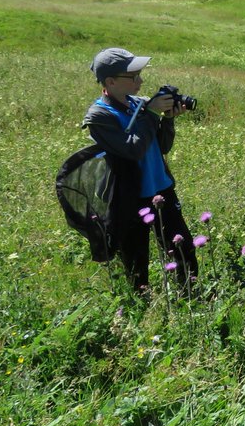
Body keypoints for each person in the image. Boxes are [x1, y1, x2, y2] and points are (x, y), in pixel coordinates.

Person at [83, 47, 197, 294]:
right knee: (136, 261)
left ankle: (191, 296)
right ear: (110, 82)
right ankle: (142, 305)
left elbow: (162, 147)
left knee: (183, 250)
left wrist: (167, 119)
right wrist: (151, 113)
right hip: (129, 198)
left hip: (161, 190)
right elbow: (132, 149)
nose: (140, 81)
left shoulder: (139, 104)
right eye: (133, 77)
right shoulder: (100, 116)